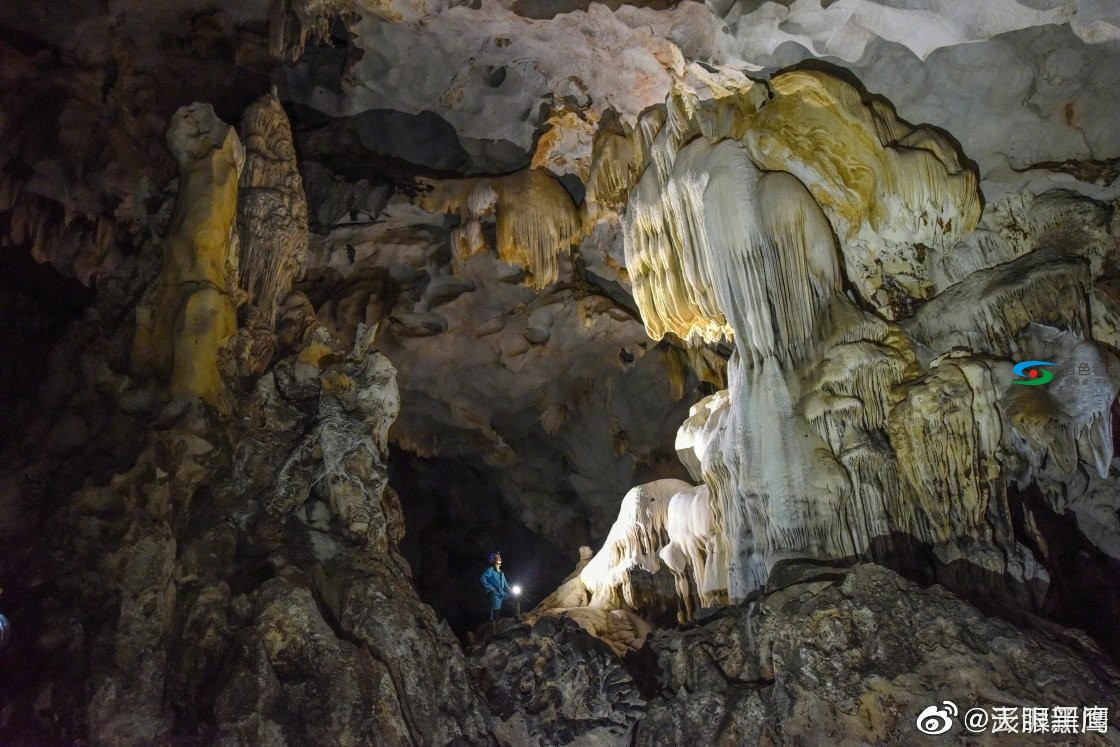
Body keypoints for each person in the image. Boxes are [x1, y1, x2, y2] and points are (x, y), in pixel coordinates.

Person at [479, 551, 512, 621]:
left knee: (516, 597)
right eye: (497, 557)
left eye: (499, 556)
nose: (499, 558)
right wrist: (490, 588)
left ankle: (517, 616)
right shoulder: (490, 570)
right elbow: (482, 578)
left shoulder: (501, 572)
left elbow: (505, 584)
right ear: (493, 560)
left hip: (503, 593)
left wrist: (509, 590)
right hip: (495, 594)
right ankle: (493, 629)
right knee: (495, 612)